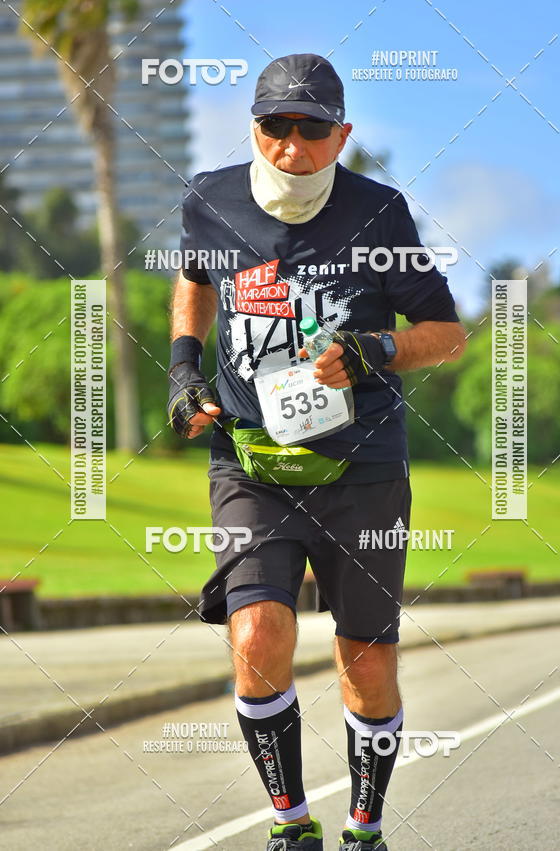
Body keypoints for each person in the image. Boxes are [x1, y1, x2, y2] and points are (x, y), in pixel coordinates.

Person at [167, 53, 466, 851]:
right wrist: (184, 364)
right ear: (253, 126)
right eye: (274, 127)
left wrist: (375, 349)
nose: (292, 147)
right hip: (250, 459)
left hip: (361, 465)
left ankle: (364, 827)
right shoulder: (210, 198)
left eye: (312, 129)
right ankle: (291, 822)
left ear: (343, 134)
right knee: (257, 635)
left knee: (364, 663)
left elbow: (447, 334)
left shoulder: (380, 213)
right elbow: (195, 277)